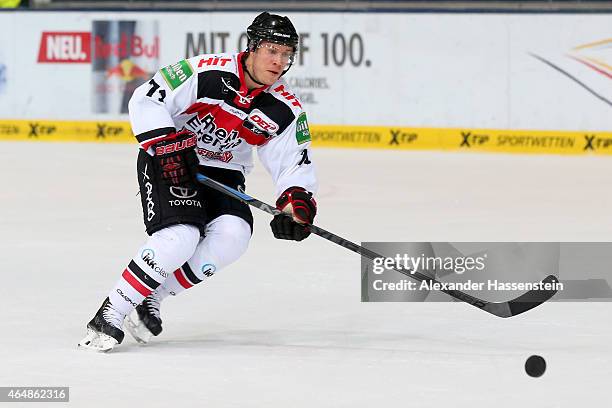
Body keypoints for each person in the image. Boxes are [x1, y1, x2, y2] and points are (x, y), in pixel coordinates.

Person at [78, 12, 318, 352]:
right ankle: (110, 312)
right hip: (171, 157)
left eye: (286, 54)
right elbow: (147, 97)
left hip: (224, 171)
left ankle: (151, 296)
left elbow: (295, 160)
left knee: (234, 236)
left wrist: (296, 204)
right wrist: (165, 145)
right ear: (252, 47)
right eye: (271, 51)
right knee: (182, 236)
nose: (279, 62)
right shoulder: (208, 70)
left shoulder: (284, 107)